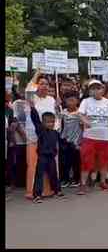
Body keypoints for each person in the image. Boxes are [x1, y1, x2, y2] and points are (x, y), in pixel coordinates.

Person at [78, 80, 108, 194]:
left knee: (104, 161)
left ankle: (103, 182)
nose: (96, 90)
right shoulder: (86, 101)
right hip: (90, 137)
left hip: (105, 137)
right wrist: (85, 120)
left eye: (98, 88)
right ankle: (83, 184)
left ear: (102, 89)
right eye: (93, 88)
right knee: (86, 161)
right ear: (90, 91)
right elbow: (80, 114)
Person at [25, 70, 59, 199]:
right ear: (36, 85)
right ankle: (32, 192)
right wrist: (36, 74)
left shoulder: (51, 99)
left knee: (49, 165)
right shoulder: (31, 97)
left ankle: (48, 190)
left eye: (46, 84)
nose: (44, 86)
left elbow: (55, 117)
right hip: (34, 136)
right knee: (34, 165)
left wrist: (55, 132)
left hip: (49, 138)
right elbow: (28, 90)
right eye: (41, 83)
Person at [28, 99, 64, 203]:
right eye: (48, 122)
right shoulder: (40, 130)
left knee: (54, 174)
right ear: (43, 122)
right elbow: (35, 119)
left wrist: (57, 107)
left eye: (52, 122)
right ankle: (37, 195)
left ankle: (57, 191)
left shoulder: (55, 132)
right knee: (39, 175)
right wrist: (32, 108)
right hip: (42, 157)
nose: (50, 124)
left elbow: (59, 119)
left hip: (52, 157)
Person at [59, 92, 82, 188]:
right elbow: (57, 122)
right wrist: (57, 107)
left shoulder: (80, 113)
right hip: (65, 140)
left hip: (76, 141)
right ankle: (65, 179)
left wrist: (80, 141)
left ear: (77, 101)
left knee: (76, 162)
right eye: (68, 100)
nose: (71, 102)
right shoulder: (63, 112)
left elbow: (83, 126)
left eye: (73, 100)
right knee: (65, 162)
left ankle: (76, 179)